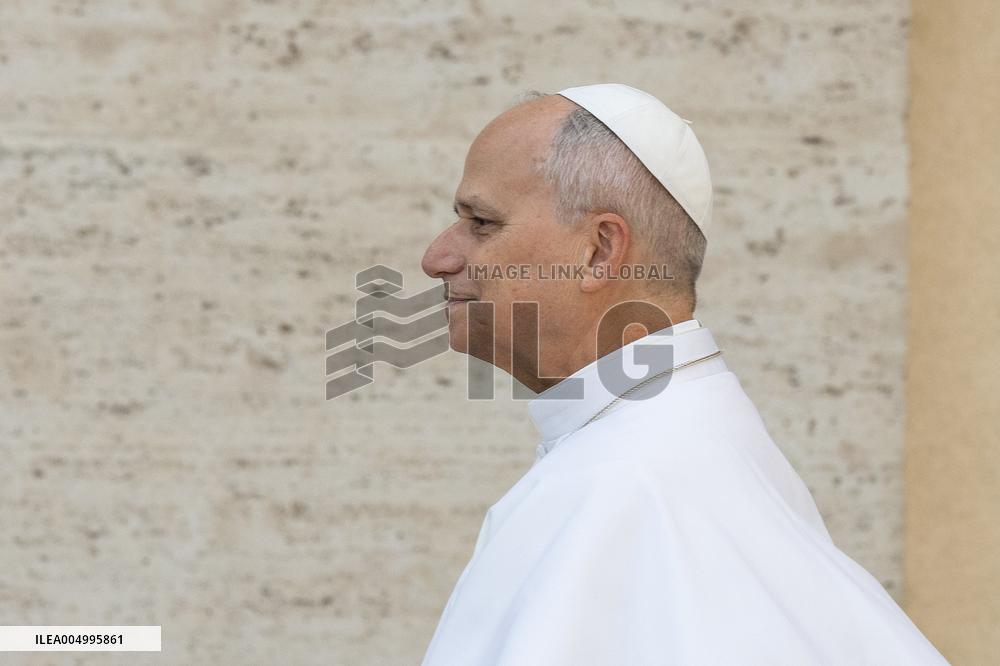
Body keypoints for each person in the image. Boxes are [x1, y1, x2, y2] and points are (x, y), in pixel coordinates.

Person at [418, 83, 948, 665]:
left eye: (482, 223)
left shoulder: (618, 487)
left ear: (599, 251)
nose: (437, 257)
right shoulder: (684, 440)